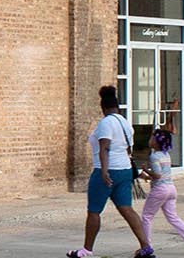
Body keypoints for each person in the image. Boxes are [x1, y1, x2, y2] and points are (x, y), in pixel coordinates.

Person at [70, 85, 153, 258]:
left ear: (103, 108)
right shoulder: (125, 123)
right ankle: (146, 247)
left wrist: (104, 172)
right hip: (124, 171)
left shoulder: (106, 122)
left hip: (107, 171)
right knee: (127, 209)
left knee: (94, 211)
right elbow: (127, 149)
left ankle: (86, 250)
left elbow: (104, 148)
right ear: (117, 106)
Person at [142, 127, 184, 254]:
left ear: (156, 142)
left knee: (147, 216)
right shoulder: (165, 155)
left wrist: (145, 170)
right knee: (172, 217)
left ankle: (146, 246)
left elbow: (157, 175)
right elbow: (161, 174)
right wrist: (146, 176)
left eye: (152, 137)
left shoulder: (154, 156)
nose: (150, 139)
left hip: (160, 190)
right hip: (171, 188)